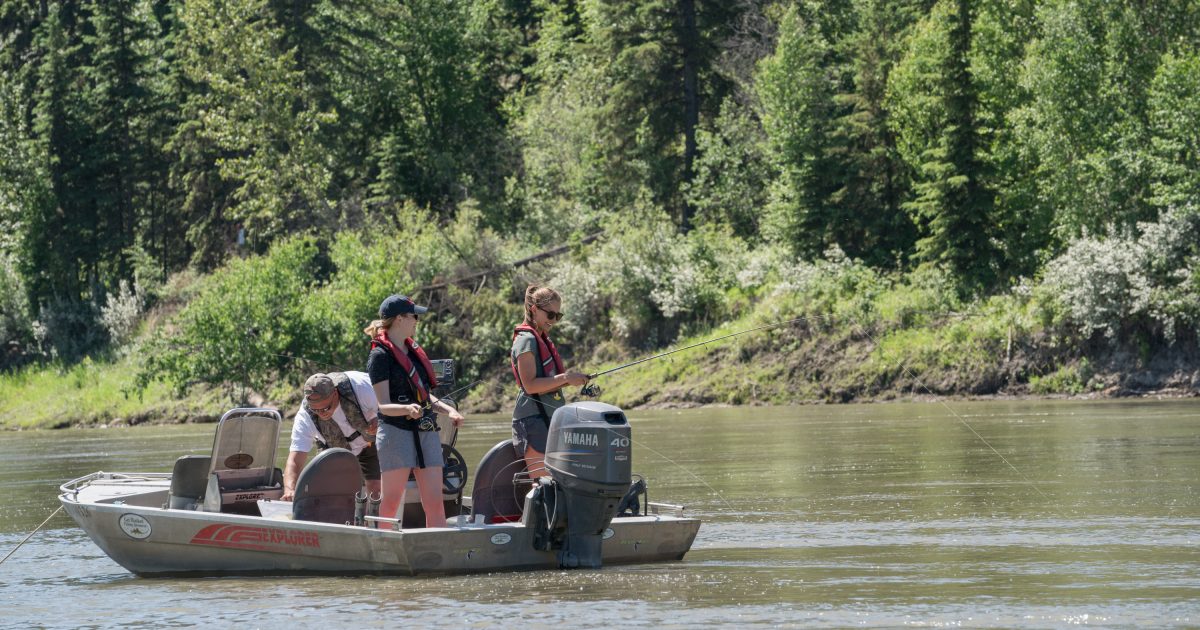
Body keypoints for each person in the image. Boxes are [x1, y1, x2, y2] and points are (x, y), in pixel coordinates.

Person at [366, 294, 464, 528]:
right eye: (414, 316)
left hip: (426, 430)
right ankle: (384, 550)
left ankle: (437, 553)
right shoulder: (379, 356)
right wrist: (406, 409)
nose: (416, 321)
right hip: (395, 433)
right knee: (390, 503)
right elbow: (383, 406)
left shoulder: (414, 353)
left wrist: (447, 410)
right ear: (399, 319)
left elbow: (424, 395)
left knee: (435, 502)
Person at [511, 284, 590, 478]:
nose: (554, 321)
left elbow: (548, 382)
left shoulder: (541, 338)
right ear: (534, 310)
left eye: (558, 316)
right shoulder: (526, 340)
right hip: (532, 420)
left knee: (555, 484)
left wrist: (571, 380)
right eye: (550, 315)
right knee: (542, 485)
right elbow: (530, 385)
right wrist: (565, 378)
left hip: (550, 418)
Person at [281, 372, 382, 502]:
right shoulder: (305, 416)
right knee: (330, 491)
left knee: (375, 489)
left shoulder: (362, 388)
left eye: (325, 408)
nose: (321, 414)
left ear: (335, 393)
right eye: (315, 410)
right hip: (332, 449)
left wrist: (381, 420)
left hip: (368, 443)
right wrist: (289, 489)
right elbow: (295, 460)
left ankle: (372, 520)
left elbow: (391, 406)